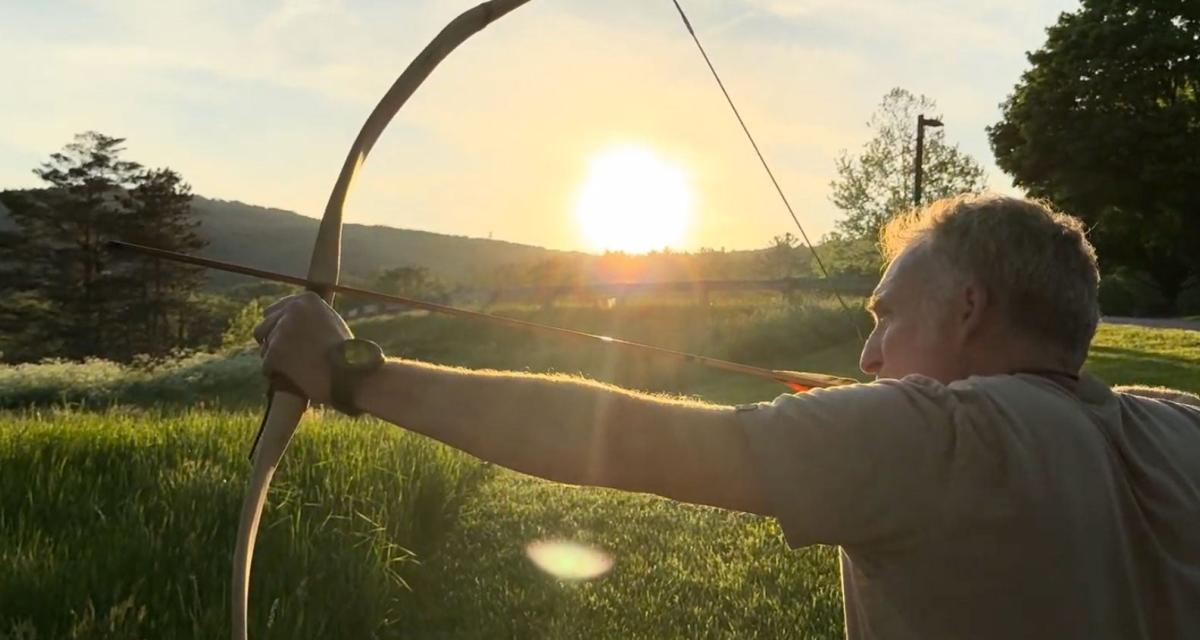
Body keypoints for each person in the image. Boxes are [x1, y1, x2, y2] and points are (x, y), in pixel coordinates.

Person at [254, 194, 1200, 639]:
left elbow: (635, 441)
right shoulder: (1175, 424)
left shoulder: (938, 438)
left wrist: (348, 374)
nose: (868, 357)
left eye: (885, 319)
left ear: (967, 309)